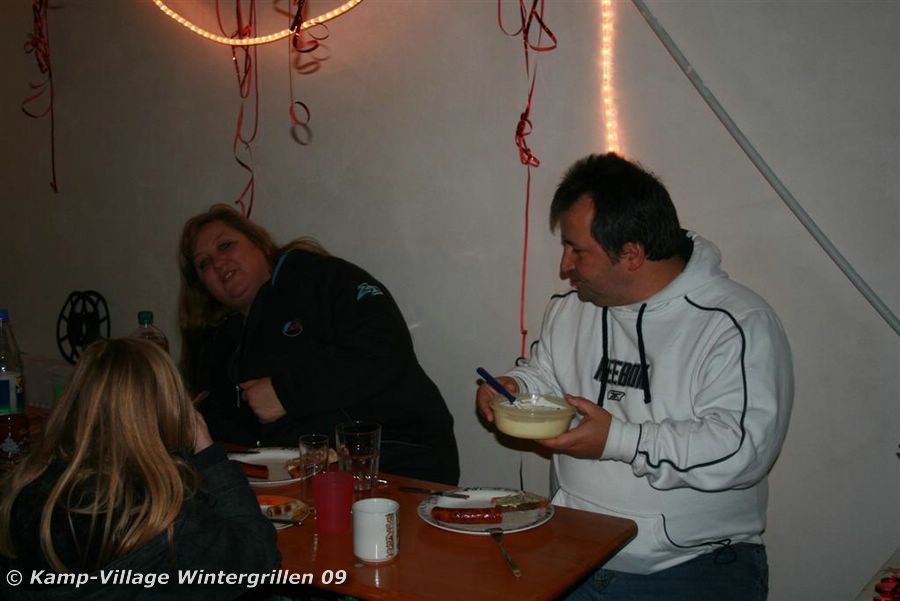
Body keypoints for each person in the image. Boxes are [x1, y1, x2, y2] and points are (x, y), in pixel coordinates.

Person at [476, 153, 793, 600]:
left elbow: (742, 450)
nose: (564, 266)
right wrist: (516, 387)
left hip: (688, 572)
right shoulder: (573, 308)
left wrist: (618, 439)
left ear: (631, 254)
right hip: (573, 555)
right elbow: (546, 373)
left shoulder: (735, 324)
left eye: (577, 250)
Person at [179, 204, 460, 485]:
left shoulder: (317, 277)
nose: (218, 263)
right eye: (204, 263)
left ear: (258, 243)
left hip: (395, 456)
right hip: (299, 482)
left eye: (225, 245)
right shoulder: (220, 343)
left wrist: (286, 394)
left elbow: (385, 346)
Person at [0, 338, 280, 600]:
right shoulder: (164, 518)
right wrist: (209, 456)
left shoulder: (26, 493)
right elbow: (257, 559)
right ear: (170, 412)